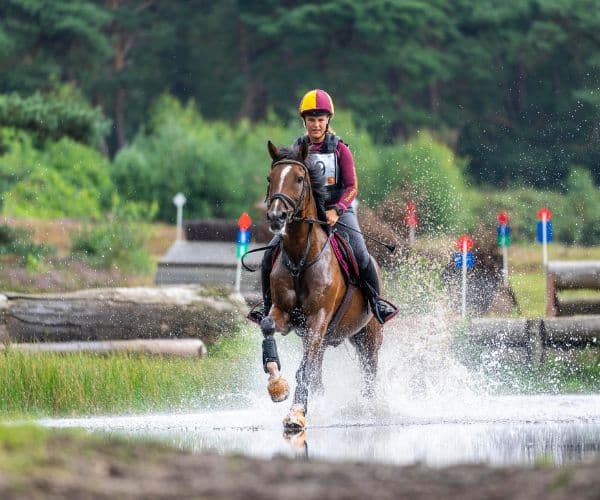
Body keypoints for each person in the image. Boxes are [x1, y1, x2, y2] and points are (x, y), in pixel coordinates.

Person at [249, 89, 398, 325]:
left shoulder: (340, 149)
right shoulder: (296, 149)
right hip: (306, 213)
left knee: (360, 254)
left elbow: (352, 187)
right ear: (304, 121)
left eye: (320, 120)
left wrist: (336, 210)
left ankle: (375, 301)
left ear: (328, 120)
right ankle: (268, 306)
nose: (316, 125)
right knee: (270, 253)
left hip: (340, 210)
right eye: (311, 120)